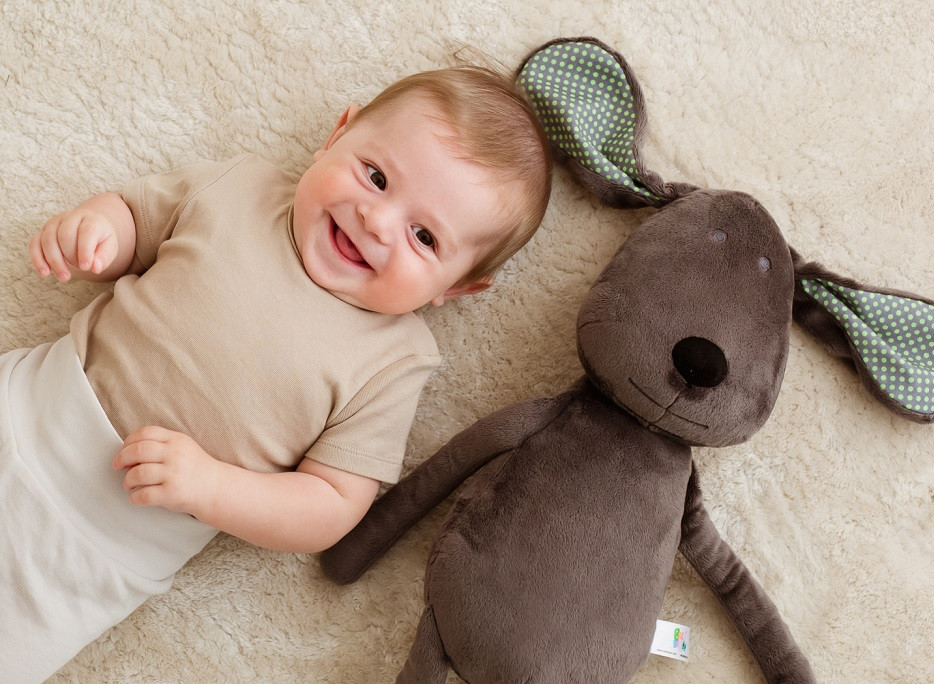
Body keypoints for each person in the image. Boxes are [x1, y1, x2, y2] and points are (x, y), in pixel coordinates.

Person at [0, 65, 552, 681]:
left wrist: (211, 488)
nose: (376, 222)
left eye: (423, 236)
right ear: (336, 135)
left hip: (92, 551)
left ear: (458, 287)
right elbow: (137, 220)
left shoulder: (394, 361)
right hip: (25, 405)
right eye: (375, 177)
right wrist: (95, 232)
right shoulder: (243, 187)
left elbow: (331, 505)